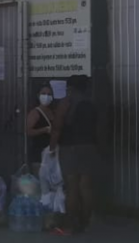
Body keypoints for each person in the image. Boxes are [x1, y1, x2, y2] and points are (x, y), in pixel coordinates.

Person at [50, 74, 99, 235]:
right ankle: (86, 223)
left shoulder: (66, 102)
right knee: (86, 186)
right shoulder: (91, 103)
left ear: (70, 88)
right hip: (89, 147)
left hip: (70, 147)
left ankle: (71, 226)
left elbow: (57, 127)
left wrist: (51, 148)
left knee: (72, 186)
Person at [26, 84, 56, 173]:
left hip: (52, 152)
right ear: (38, 95)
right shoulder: (35, 112)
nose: (46, 96)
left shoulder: (53, 112)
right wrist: (45, 129)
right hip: (39, 152)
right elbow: (28, 131)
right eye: (44, 93)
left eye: (49, 94)